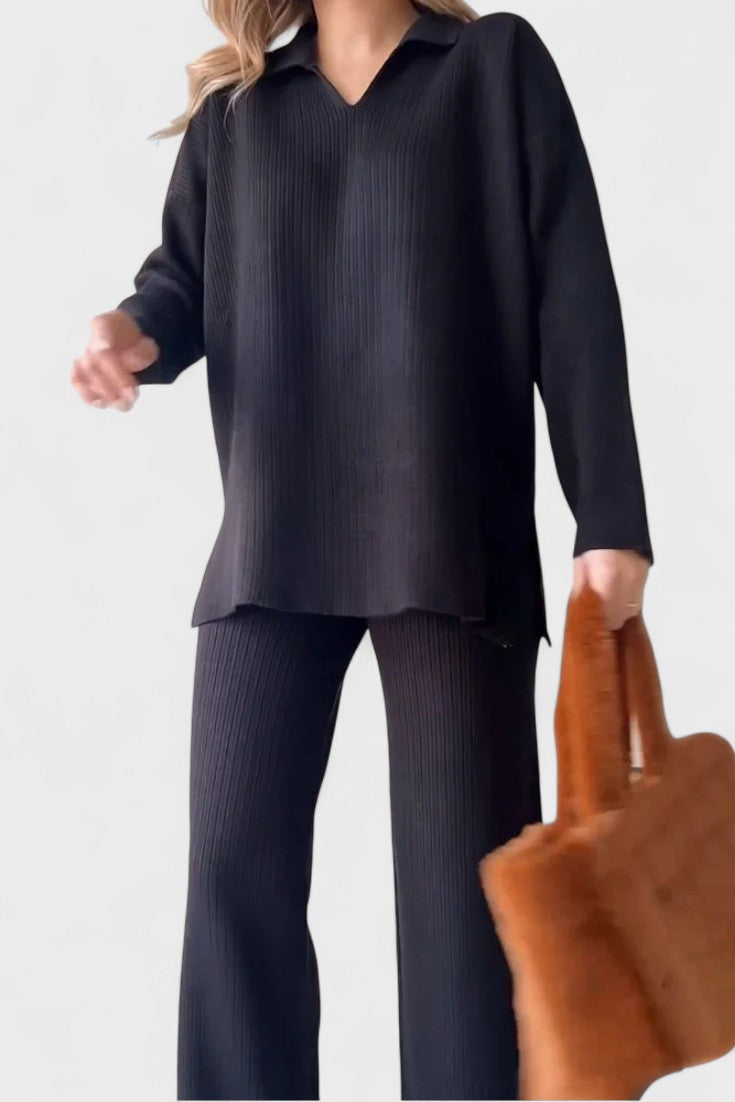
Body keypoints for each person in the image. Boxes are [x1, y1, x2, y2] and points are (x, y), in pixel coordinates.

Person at [71, 1, 653, 1098]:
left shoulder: (492, 67)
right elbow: (182, 280)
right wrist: (131, 331)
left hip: (450, 540)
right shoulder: (238, 108)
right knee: (231, 872)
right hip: (271, 538)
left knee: (466, 904)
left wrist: (610, 516)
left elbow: (574, 296)